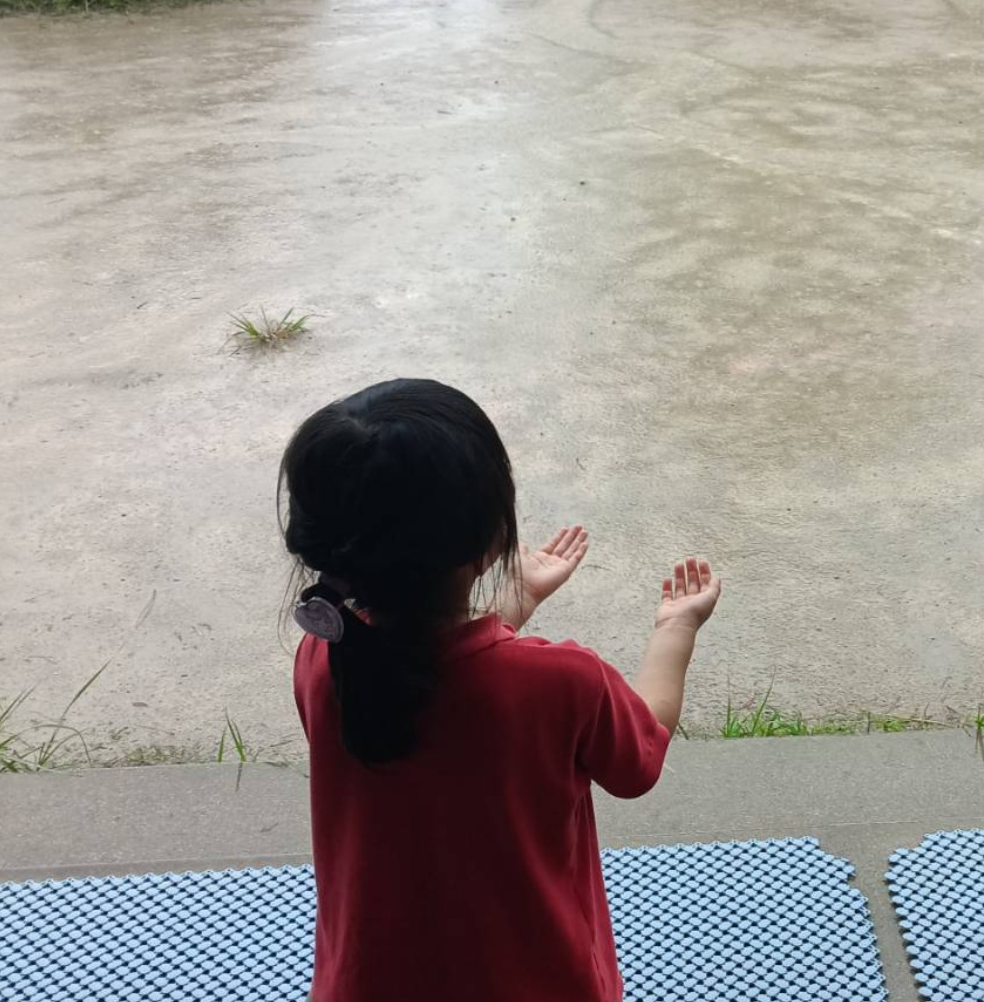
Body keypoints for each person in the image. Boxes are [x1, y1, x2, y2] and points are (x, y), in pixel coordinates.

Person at [281, 378, 720, 1002]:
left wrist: (515, 604)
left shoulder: (322, 658)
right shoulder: (561, 683)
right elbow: (639, 757)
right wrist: (675, 628)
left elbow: (426, 670)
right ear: (492, 541)